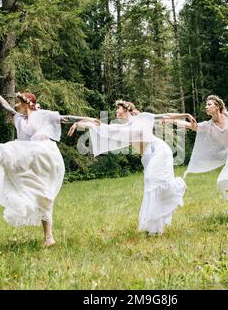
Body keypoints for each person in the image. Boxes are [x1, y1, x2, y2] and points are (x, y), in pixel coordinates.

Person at [0, 85, 98, 247]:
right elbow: (7, 108)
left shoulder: (42, 115)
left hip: (46, 155)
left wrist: (86, 119)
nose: (16, 105)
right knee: (42, 195)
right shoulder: (20, 118)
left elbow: (64, 118)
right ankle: (49, 238)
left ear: (27, 103)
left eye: (19, 102)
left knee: (10, 149)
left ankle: (48, 236)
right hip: (32, 157)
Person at [68, 100, 196, 234]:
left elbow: (165, 115)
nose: (116, 111)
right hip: (147, 156)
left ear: (126, 109)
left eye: (118, 108)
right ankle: (175, 191)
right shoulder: (123, 127)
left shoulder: (142, 118)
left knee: (151, 181)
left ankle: (152, 228)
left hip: (159, 150)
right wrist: (79, 123)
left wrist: (186, 115)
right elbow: (98, 124)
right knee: (154, 184)